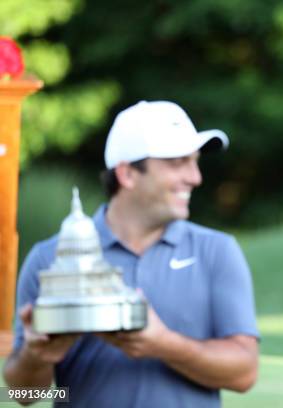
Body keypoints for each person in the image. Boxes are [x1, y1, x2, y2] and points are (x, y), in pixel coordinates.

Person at [3, 101, 259, 407]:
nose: (195, 177)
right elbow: (23, 396)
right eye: (177, 162)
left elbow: (244, 373)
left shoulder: (217, 251)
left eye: (195, 162)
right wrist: (35, 356)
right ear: (127, 173)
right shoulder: (49, 258)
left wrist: (163, 344)